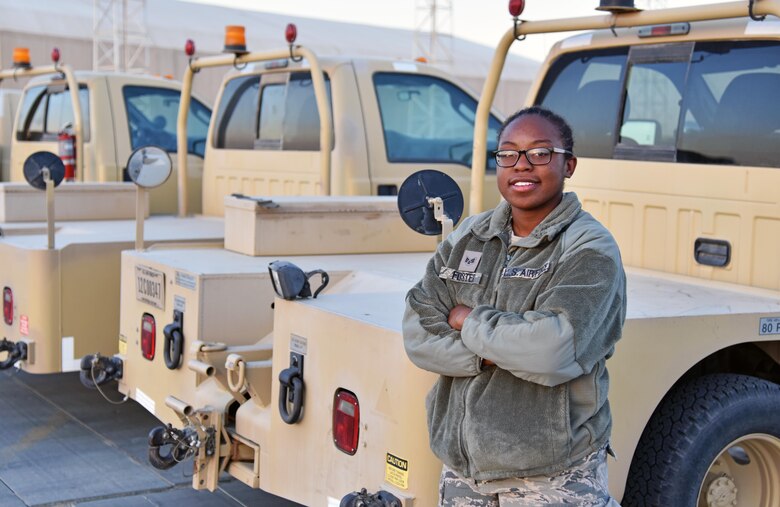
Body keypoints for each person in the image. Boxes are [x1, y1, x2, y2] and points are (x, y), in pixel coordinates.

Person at [403, 106, 626, 506]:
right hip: (463, 471)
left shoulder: (590, 248)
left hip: (553, 476)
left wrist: (467, 320)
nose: (522, 166)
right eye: (508, 154)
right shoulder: (471, 235)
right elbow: (418, 332)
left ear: (568, 165)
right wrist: (494, 352)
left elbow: (552, 349)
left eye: (540, 153)